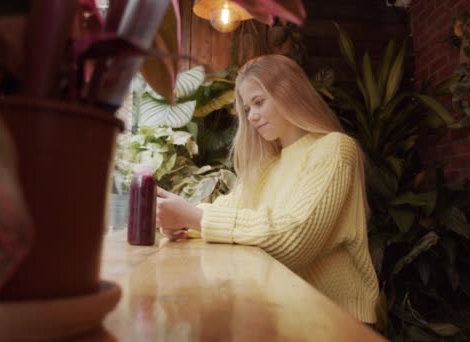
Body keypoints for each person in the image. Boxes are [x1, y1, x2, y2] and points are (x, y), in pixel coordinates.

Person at [155, 54, 379, 323]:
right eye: (247, 109)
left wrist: (192, 217)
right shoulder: (268, 166)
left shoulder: (335, 148)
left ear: (289, 93)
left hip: (334, 318)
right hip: (284, 311)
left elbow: (293, 241)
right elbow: (220, 212)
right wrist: (180, 224)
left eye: (259, 102)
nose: (251, 117)